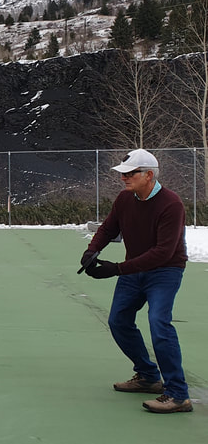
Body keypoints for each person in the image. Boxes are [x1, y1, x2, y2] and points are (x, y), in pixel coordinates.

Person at [81, 149, 191, 414]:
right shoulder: (124, 199)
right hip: (134, 270)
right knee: (118, 321)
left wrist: (117, 269)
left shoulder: (171, 204)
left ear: (149, 175)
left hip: (165, 271)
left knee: (159, 322)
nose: (124, 178)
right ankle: (148, 376)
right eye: (123, 174)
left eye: (130, 174)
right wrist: (91, 251)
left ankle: (178, 395)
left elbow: (163, 252)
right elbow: (109, 228)